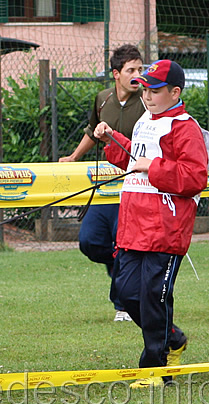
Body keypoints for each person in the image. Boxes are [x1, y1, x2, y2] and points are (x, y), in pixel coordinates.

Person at [94, 59, 209, 388]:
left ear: (175, 92)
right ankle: (172, 338)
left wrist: (153, 166)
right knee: (127, 294)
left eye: (155, 90)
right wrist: (111, 138)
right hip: (133, 227)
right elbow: (135, 158)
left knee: (153, 298)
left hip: (165, 230)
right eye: (144, 89)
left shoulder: (185, 127)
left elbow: (194, 177)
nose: (147, 96)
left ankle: (156, 369)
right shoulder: (146, 120)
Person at [60, 44, 146, 322]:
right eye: (131, 70)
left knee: (124, 244)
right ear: (116, 73)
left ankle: (123, 306)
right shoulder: (102, 98)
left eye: (140, 69)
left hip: (135, 186)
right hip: (105, 186)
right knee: (90, 241)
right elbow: (91, 131)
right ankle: (125, 269)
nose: (137, 75)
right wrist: (73, 157)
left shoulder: (148, 102)